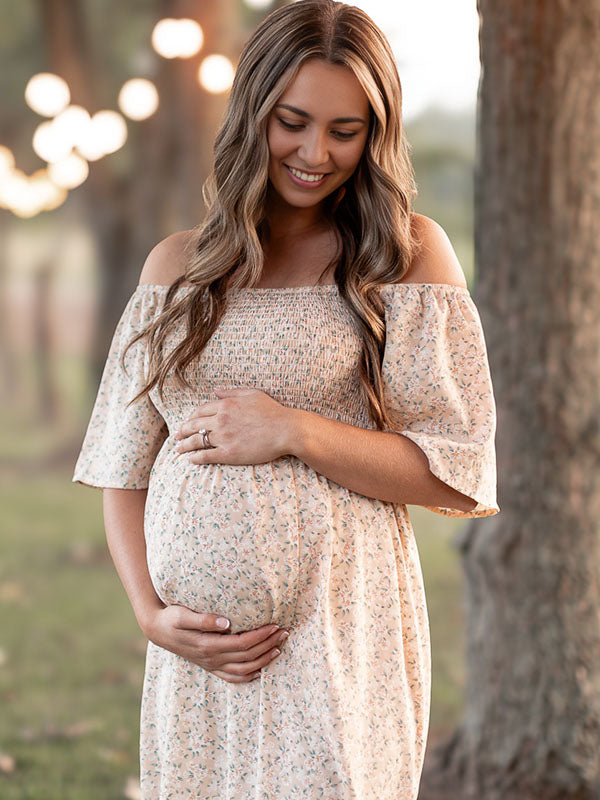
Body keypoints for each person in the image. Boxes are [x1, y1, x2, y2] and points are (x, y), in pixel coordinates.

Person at [72, 1, 500, 797]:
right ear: (252, 113)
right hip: (200, 665)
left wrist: (293, 430)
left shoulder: (404, 255)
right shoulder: (175, 269)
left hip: (340, 632)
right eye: (292, 122)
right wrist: (150, 615)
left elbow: (456, 471)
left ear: (376, 133)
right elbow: (123, 470)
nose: (315, 153)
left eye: (346, 130)